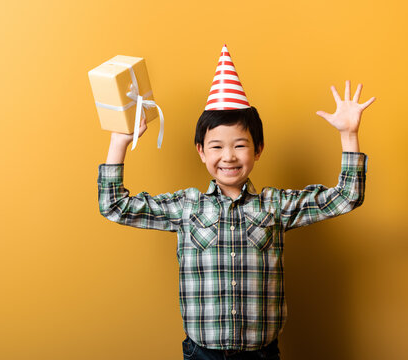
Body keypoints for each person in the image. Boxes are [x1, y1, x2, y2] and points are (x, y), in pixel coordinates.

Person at [97, 47, 374, 360]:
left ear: (258, 150)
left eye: (240, 145)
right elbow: (115, 206)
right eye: (216, 146)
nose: (228, 156)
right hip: (202, 353)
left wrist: (349, 135)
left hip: (260, 353)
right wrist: (119, 141)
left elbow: (347, 196)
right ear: (201, 151)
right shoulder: (186, 207)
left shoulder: (275, 206)